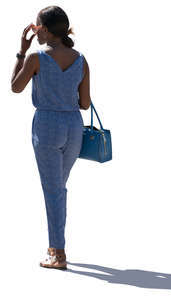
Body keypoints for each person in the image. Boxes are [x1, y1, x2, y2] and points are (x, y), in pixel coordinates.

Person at [11, 5, 91, 270]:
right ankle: (55, 246)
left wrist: (21, 51)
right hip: (73, 126)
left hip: (47, 125)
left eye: (36, 26)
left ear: (44, 29)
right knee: (59, 189)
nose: (34, 30)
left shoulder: (35, 57)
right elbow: (85, 103)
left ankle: (58, 253)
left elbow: (15, 87)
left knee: (54, 190)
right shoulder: (81, 59)